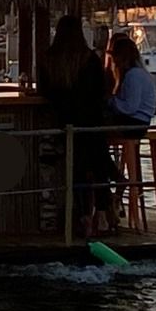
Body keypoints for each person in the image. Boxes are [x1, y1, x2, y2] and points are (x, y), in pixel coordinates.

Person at [38, 15, 116, 234]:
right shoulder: (88, 58)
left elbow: (45, 92)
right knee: (99, 166)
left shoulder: (49, 59)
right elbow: (100, 91)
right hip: (90, 121)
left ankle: (82, 215)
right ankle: (100, 214)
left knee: (76, 170)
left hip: (64, 122)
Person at [105, 35, 156, 137]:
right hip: (140, 122)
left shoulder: (133, 75)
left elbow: (130, 107)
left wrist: (111, 101)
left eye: (115, 56)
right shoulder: (139, 74)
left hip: (134, 123)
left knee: (95, 126)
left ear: (122, 57)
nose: (114, 60)